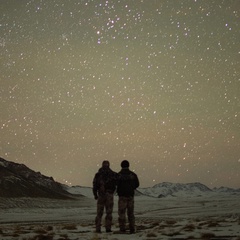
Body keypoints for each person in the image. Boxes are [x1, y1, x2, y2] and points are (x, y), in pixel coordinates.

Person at [93, 160, 118, 233]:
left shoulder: (98, 174)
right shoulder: (113, 174)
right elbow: (118, 182)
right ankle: (108, 228)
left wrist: (95, 195)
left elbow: (94, 185)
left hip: (101, 195)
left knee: (99, 213)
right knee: (109, 213)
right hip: (109, 195)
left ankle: (98, 229)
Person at [117, 160, 139, 234]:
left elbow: (115, 184)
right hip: (130, 196)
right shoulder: (133, 175)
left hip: (122, 197)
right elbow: (137, 184)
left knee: (122, 213)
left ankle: (122, 229)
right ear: (128, 165)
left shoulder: (118, 175)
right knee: (131, 214)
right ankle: (132, 229)